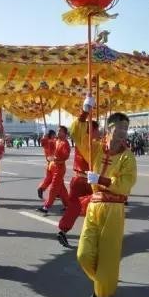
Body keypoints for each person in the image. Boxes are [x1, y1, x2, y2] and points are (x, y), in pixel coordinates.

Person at [77, 112, 137, 297]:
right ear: (109, 128)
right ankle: (102, 283)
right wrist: (85, 111)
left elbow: (126, 185)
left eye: (126, 128)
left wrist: (101, 180)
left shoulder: (128, 156)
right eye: (120, 127)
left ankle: (104, 295)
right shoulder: (95, 148)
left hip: (114, 208)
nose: (123, 132)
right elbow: (78, 135)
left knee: (108, 256)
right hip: (94, 206)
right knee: (84, 254)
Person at [57, 104, 99, 247]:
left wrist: (85, 111)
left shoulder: (82, 141)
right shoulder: (94, 144)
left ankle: (63, 230)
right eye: (97, 130)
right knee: (98, 206)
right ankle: (96, 234)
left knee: (74, 207)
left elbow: (77, 126)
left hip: (79, 178)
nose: (99, 132)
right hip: (91, 181)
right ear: (92, 130)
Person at [37, 126, 70, 215]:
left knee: (54, 187)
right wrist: (45, 135)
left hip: (59, 168)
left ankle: (46, 206)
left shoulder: (65, 143)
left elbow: (65, 156)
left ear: (65, 133)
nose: (58, 132)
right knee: (61, 189)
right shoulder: (56, 141)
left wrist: (56, 158)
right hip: (53, 166)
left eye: (60, 131)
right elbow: (45, 144)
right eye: (57, 131)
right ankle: (68, 205)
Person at [37, 130, 56, 199]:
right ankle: (57, 192)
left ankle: (41, 188)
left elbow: (43, 141)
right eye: (54, 135)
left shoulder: (46, 142)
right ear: (51, 135)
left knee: (49, 178)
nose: (55, 136)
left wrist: (45, 136)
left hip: (49, 163)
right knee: (57, 179)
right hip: (54, 163)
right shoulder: (52, 142)